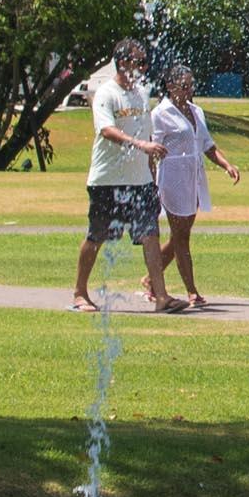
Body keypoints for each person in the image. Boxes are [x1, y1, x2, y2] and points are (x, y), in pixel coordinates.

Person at [71, 39, 172, 313]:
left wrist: (153, 181)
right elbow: (107, 131)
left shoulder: (140, 94)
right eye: (139, 62)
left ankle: (161, 297)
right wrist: (141, 146)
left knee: (150, 233)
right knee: (98, 235)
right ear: (123, 62)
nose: (144, 66)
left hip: (140, 181)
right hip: (108, 180)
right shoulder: (107, 94)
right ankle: (80, 292)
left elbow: (148, 136)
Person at [152, 62, 243, 309]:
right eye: (184, 86)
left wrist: (227, 165)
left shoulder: (196, 111)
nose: (189, 90)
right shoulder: (160, 113)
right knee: (181, 238)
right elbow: (152, 149)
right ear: (170, 87)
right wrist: (151, 183)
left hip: (193, 177)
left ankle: (151, 280)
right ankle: (192, 291)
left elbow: (207, 145)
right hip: (172, 178)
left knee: (180, 235)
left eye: (191, 85)